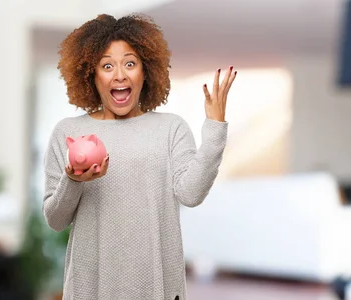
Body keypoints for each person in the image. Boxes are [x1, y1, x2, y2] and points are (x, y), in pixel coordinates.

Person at [43, 13, 236, 300]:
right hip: (91, 289)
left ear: (145, 71)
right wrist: (73, 179)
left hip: (157, 288)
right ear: (91, 75)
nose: (119, 74)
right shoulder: (69, 132)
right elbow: (56, 219)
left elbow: (192, 194)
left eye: (130, 63)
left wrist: (215, 129)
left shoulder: (171, 128)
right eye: (107, 65)